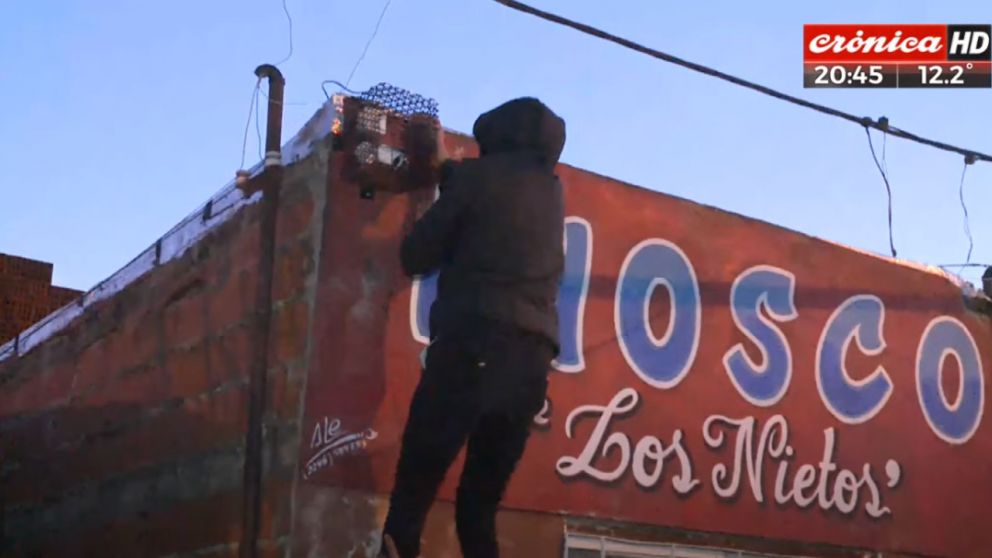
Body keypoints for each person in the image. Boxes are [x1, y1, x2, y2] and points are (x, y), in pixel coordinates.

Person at [380, 97, 567, 558]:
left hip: (472, 349)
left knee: (413, 496)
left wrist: (440, 186)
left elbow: (416, 256)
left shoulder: (480, 180)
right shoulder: (551, 190)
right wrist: (449, 168)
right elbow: (490, 189)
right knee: (477, 510)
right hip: (530, 369)